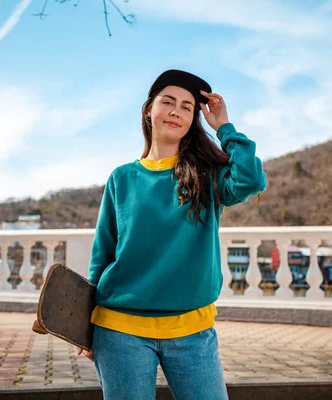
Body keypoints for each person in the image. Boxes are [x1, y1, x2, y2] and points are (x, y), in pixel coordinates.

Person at [78, 69, 267, 399]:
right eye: (168, 102)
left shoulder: (207, 176)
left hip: (193, 332)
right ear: (149, 109)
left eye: (187, 107)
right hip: (118, 329)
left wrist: (224, 126)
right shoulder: (121, 178)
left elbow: (250, 179)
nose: (176, 111)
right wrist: (84, 327)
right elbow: (102, 254)